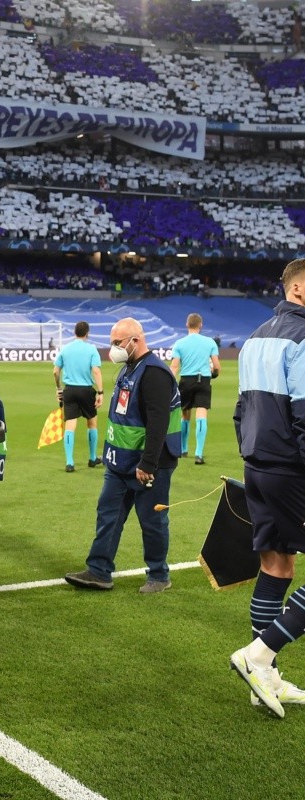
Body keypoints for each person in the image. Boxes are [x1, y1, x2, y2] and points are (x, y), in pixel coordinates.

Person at [229, 259, 305, 718]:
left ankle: (266, 678)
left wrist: (253, 450)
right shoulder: (302, 338)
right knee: (279, 563)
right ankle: (257, 656)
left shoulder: (257, 335)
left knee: (277, 564)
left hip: (259, 464)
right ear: (299, 290)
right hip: (293, 467)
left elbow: (241, 409)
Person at [65, 317, 181, 594]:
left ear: (135, 341)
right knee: (108, 514)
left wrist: (148, 463)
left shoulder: (154, 373)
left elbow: (158, 423)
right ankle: (99, 570)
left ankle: (159, 574)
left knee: (151, 521)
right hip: (120, 460)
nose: (113, 349)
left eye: (117, 343)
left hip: (148, 463)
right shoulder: (130, 368)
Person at [52, 321, 104, 472]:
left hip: (70, 390)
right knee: (92, 424)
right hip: (86, 390)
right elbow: (96, 371)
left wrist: (58, 388)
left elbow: (55, 371)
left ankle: (69, 462)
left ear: (74, 332)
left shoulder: (65, 349)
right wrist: (100, 392)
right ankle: (93, 458)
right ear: (87, 333)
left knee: (70, 426)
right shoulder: (91, 349)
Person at [169, 313, 221, 464]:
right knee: (201, 414)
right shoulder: (210, 342)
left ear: (187, 325)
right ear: (201, 325)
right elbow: (216, 366)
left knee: (185, 414)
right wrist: (214, 374)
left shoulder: (179, 343)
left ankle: (183, 449)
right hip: (203, 380)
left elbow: (174, 366)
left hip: (186, 380)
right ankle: (199, 454)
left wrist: (170, 383)